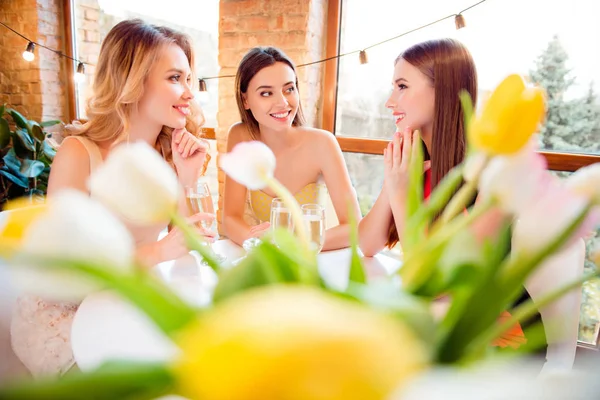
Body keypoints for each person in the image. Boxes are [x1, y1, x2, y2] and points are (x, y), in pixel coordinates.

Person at [10, 19, 214, 378]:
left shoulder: (169, 155)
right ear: (132, 82)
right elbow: (66, 271)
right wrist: (160, 251)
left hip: (125, 299)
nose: (188, 92)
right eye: (174, 78)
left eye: (187, 79)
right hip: (65, 317)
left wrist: (188, 179)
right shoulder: (79, 153)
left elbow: (199, 239)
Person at [223, 46, 361, 250]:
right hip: (273, 259)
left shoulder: (322, 143)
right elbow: (230, 218)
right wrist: (259, 244)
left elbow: (354, 228)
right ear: (245, 100)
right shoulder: (240, 136)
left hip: (320, 258)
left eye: (289, 89)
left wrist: (295, 244)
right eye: (266, 93)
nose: (282, 102)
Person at [358, 38, 477, 256]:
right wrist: (393, 184)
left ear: (442, 89)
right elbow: (367, 245)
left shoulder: (481, 171)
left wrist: (400, 195)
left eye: (402, 86)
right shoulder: (412, 156)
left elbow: (436, 282)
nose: (390, 102)